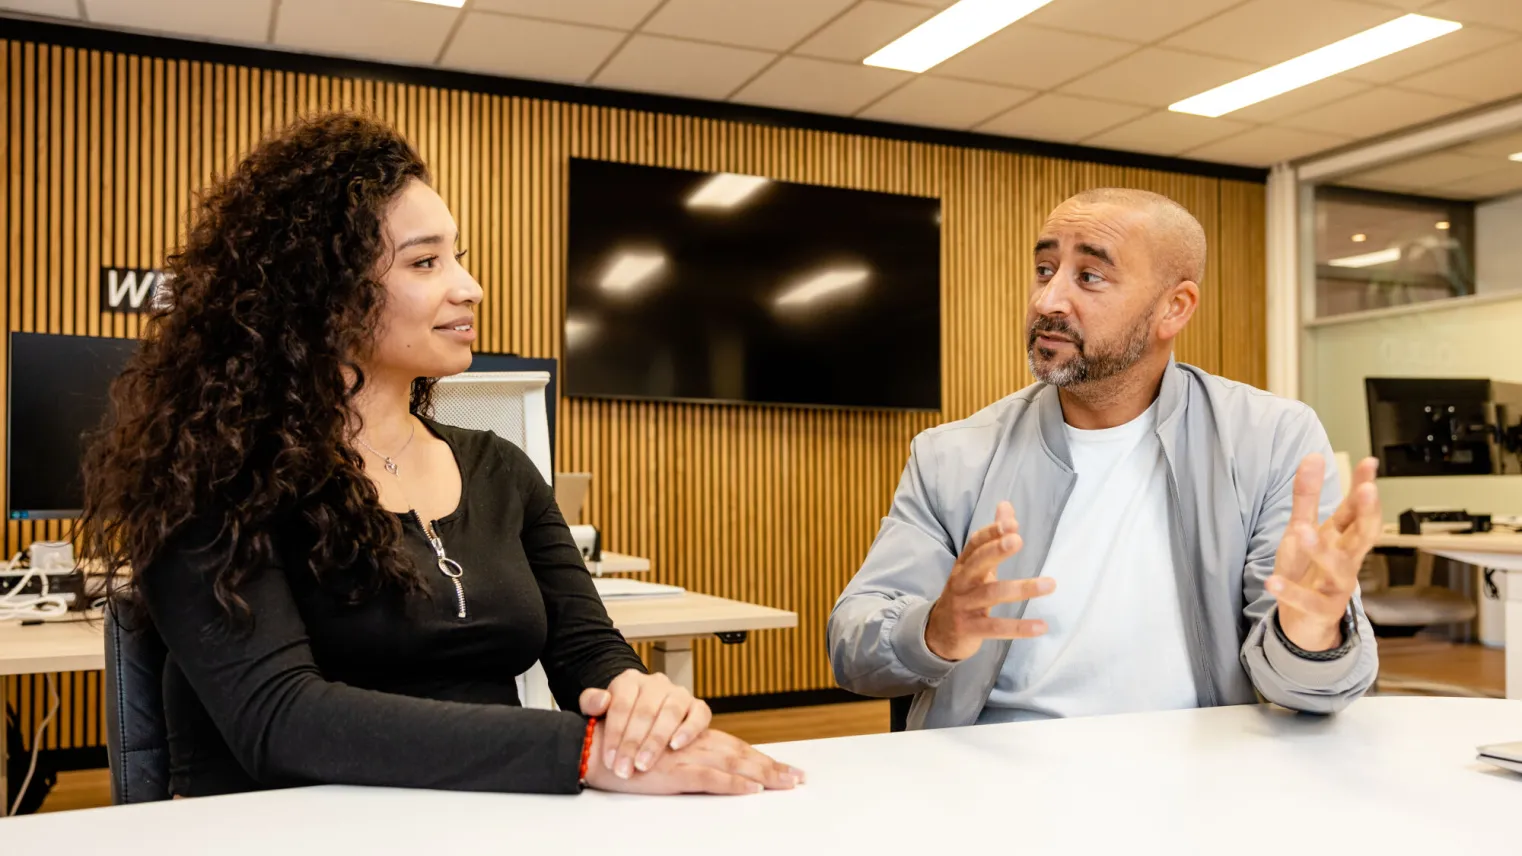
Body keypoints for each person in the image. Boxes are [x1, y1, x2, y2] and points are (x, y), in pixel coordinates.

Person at [80, 112, 799, 797]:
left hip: (487, 814)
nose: (469, 286)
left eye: (458, 256)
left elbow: (588, 651)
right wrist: (575, 753)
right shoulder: (215, 474)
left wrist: (636, 700)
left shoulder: (500, 470)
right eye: (425, 262)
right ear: (322, 296)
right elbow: (280, 719)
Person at [828, 188, 1381, 729]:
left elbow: (1313, 689)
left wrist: (1307, 637)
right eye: (1045, 270)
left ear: (1174, 308)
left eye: (1088, 276)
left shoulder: (1270, 438)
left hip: (1201, 776)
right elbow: (852, 644)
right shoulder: (953, 454)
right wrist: (934, 631)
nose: (1047, 302)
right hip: (995, 772)